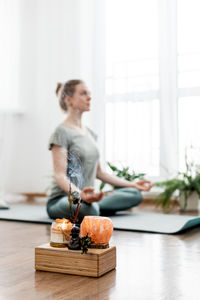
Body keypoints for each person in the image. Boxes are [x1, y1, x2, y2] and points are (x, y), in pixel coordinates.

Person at [47, 79, 152, 222]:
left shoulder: (90, 133)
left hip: (88, 198)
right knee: (88, 209)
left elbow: (100, 173)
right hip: (64, 199)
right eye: (83, 94)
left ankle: (94, 205)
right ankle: (92, 207)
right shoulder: (61, 132)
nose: (89, 97)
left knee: (134, 194)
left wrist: (132, 184)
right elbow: (60, 176)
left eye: (89, 94)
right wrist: (80, 196)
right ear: (69, 99)